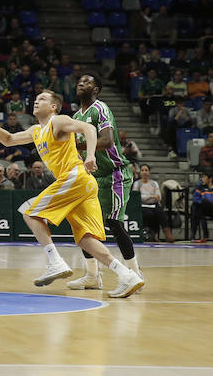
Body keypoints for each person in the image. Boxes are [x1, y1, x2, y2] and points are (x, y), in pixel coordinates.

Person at [0, 90, 144, 298]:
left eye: (42, 99)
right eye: (35, 99)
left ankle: (55, 261)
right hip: (84, 185)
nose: (36, 101)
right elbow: (7, 139)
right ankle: (127, 275)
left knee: (29, 213)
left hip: (75, 177)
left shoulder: (58, 121)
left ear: (53, 106)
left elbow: (89, 127)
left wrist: (90, 156)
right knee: (84, 239)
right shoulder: (36, 130)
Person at [68, 73, 143, 291]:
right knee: (83, 224)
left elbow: (108, 141)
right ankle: (92, 276)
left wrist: (76, 147)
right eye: (79, 80)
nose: (82, 83)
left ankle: (134, 273)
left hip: (114, 174)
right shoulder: (75, 116)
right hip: (92, 176)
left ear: (96, 90)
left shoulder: (100, 109)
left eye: (88, 81)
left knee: (113, 223)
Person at [132, 164, 173, 242]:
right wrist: (151, 196)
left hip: (153, 205)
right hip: (142, 206)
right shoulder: (137, 184)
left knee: (160, 213)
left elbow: (158, 197)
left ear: (149, 172)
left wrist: (149, 197)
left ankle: (168, 234)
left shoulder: (154, 183)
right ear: (140, 172)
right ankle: (152, 234)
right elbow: (137, 197)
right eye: (142, 170)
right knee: (149, 214)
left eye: (146, 170)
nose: (144, 172)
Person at [190, 172, 213, 243]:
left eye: (204, 177)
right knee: (201, 205)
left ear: (210, 179)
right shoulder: (200, 189)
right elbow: (196, 199)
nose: (202, 179)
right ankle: (194, 235)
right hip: (203, 210)